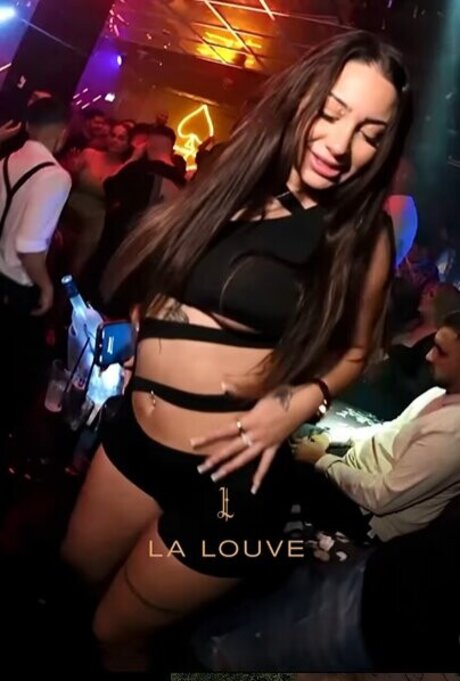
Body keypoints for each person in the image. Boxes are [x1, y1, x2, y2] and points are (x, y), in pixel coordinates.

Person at [62, 31, 413, 672]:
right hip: (135, 440)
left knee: (114, 634)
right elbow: (181, 279)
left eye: (369, 132)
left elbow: (358, 350)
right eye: (331, 113)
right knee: (72, 580)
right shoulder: (235, 179)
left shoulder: (362, 234)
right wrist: (147, 327)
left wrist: (296, 405)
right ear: (301, 99)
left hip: (226, 483)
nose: (340, 145)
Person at [296, 311, 460, 543]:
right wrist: (338, 438)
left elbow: (382, 498)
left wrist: (322, 460)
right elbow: (392, 430)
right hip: (353, 465)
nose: (429, 356)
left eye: (441, 351)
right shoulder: (440, 392)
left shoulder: (451, 436)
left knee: (281, 457)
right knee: (298, 426)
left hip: (365, 517)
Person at [0, 97, 71, 437]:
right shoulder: (56, 176)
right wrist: (46, 286)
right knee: (16, 373)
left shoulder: (6, 160)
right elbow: (29, 246)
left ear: (27, 125)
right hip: (16, 289)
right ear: (63, 133)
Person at [64, 121, 134, 277]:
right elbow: (67, 180)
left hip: (96, 216)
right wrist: (73, 171)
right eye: (113, 135)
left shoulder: (123, 169)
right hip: (72, 204)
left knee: (96, 225)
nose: (115, 140)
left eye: (121, 138)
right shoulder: (89, 154)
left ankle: (73, 277)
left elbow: (114, 198)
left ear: (127, 144)